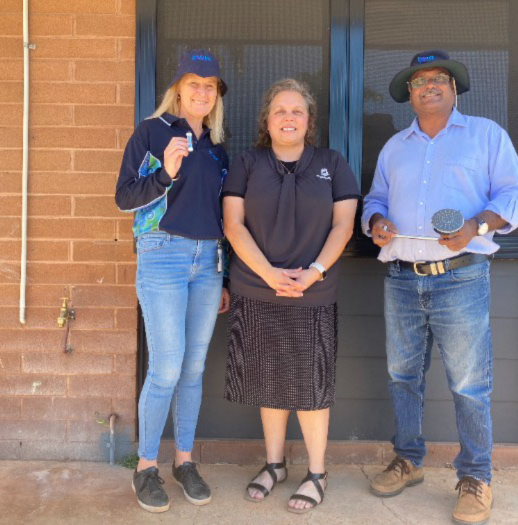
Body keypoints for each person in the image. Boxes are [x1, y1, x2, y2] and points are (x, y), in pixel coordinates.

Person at [361, 50, 518, 525]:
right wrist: (376, 220)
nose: (429, 86)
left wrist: (477, 225)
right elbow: (374, 198)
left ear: (454, 88)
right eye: (420, 81)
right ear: (409, 95)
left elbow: (517, 196)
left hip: (461, 275)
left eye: (439, 79)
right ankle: (409, 460)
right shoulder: (395, 147)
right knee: (401, 376)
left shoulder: (485, 136)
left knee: (469, 384)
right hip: (401, 279)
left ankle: (476, 476)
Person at [222, 78, 360, 514]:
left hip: (313, 293)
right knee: (268, 380)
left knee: (311, 383)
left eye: (297, 110)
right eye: (280, 110)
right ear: (267, 119)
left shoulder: (332, 163)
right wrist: (269, 274)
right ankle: (275, 464)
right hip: (257, 289)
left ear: (309, 120)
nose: (288, 117)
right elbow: (233, 225)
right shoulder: (247, 163)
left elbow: (344, 225)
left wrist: (314, 272)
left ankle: (316, 473)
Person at [115, 48, 231, 513]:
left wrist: (226, 277)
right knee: (166, 367)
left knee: (193, 369)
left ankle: (184, 461)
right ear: (178, 89)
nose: (201, 91)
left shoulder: (219, 148)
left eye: (210, 86)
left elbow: (224, 214)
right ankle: (146, 468)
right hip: (162, 253)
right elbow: (124, 197)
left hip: (209, 262)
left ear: (216, 94)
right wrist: (165, 173)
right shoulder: (151, 132)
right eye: (193, 83)